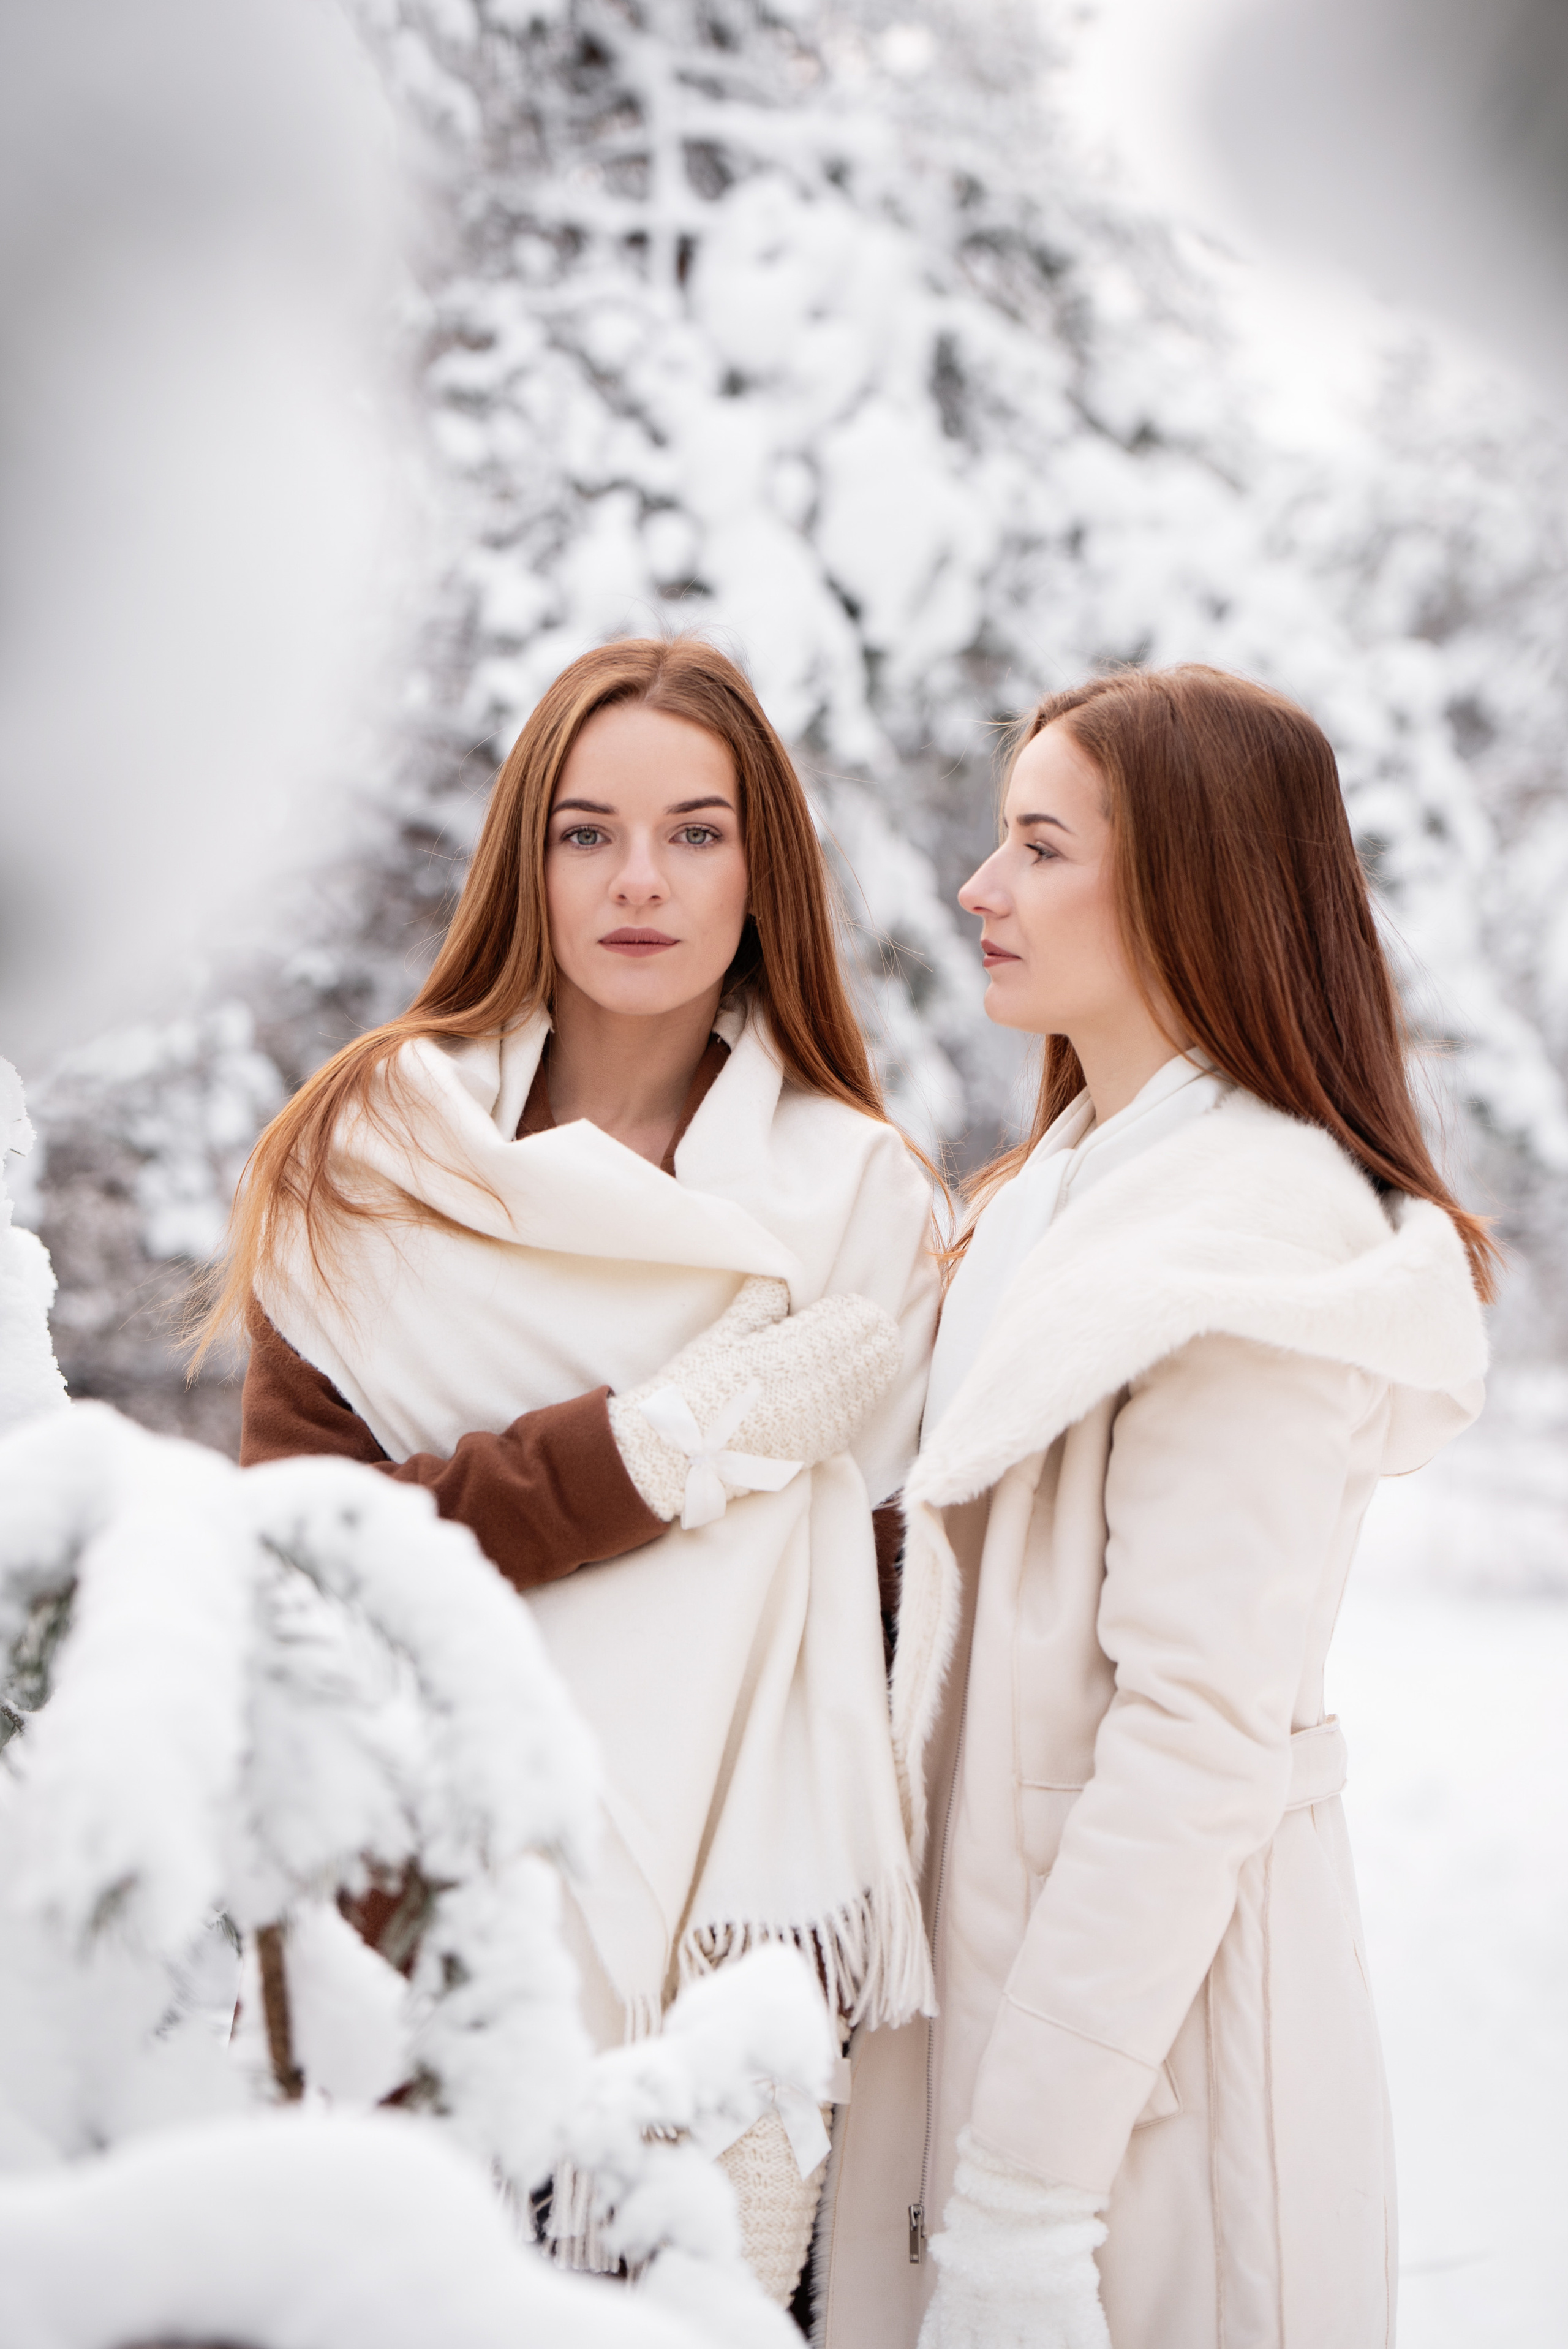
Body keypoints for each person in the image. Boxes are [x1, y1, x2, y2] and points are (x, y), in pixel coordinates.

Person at [202, 637, 940, 2309]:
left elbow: (897, 1646)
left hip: (746, 1979)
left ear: (767, 870)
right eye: (588, 830)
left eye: (696, 831)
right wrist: (657, 1443)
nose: (640, 881)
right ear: (525, 857)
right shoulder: (378, 1157)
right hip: (416, 1920)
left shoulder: (866, 1206)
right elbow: (305, 1561)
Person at [816, 667, 1491, 2349]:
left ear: (1190, 886)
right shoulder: (1050, 1200)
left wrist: (1030, 2198)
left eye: (1040, 847)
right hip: (989, 2024)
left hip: (1143, 2103)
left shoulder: (1248, 1241)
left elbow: (1193, 1747)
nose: (981, 888)